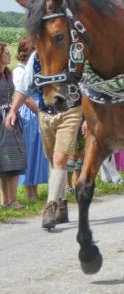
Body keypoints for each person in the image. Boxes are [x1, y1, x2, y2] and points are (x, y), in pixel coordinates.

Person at [5, 51, 82, 229]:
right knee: (54, 161)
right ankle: (62, 204)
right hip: (45, 113)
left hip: (70, 110)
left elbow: (87, 85)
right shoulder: (36, 57)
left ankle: (50, 207)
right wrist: (13, 111)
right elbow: (24, 88)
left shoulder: (75, 53)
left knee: (60, 158)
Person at [12, 37, 48, 200]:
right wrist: (40, 111)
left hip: (38, 110)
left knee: (38, 152)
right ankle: (29, 192)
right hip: (29, 113)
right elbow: (25, 97)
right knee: (29, 152)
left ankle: (34, 190)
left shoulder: (34, 69)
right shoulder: (19, 71)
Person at [0, 43, 26, 209]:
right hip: (1, 121)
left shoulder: (8, 74)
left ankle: (13, 200)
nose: (10, 55)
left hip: (11, 118)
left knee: (15, 157)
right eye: (6, 53)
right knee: (4, 159)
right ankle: (6, 201)